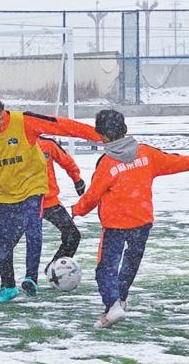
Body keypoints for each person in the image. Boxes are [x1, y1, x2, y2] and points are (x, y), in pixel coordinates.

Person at [0, 93, 101, 304]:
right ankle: (8, 286)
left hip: (34, 187)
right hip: (6, 194)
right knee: (3, 242)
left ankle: (31, 277)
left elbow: (60, 125)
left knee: (34, 228)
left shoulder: (23, 122)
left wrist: (98, 135)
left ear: (3, 110)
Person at [72, 109, 189, 328]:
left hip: (116, 224)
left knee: (105, 268)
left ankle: (112, 306)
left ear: (103, 136)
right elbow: (176, 162)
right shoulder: (146, 153)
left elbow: (92, 197)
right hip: (142, 221)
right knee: (131, 262)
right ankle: (121, 299)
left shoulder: (106, 163)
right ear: (125, 129)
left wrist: (76, 210)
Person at [0, 135, 85, 292]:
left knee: (73, 235)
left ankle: (53, 269)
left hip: (48, 201)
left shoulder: (48, 144)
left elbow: (67, 161)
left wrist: (77, 179)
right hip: (25, 202)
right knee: (8, 242)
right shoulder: (12, 144)